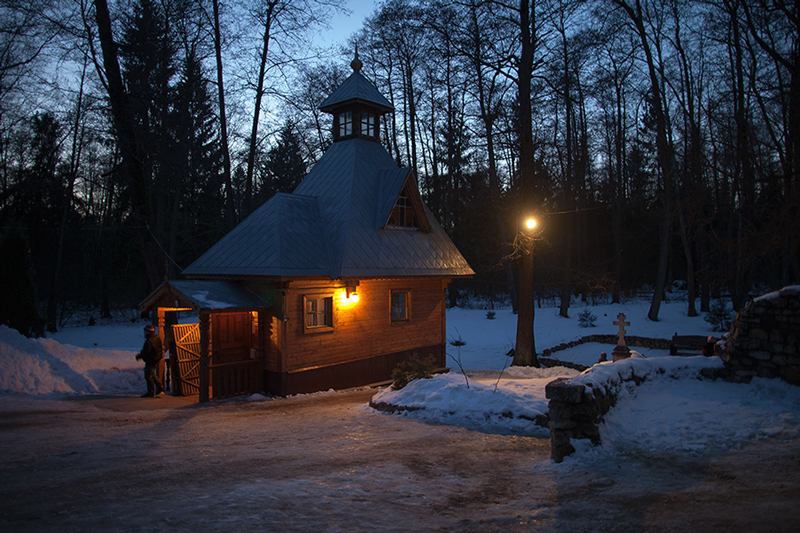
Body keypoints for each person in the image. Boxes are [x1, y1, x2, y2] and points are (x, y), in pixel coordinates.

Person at [136, 324, 164, 397]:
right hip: (156, 359)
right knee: (151, 374)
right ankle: (160, 387)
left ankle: (151, 392)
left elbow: (146, 352)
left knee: (148, 376)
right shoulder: (157, 338)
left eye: (145, 331)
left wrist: (140, 356)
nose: (144, 333)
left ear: (148, 332)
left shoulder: (149, 341)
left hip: (151, 360)